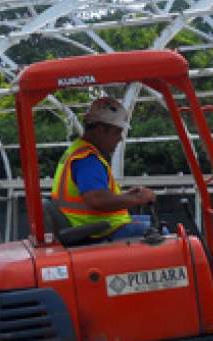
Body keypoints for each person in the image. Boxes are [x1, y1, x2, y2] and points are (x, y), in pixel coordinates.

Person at [51, 96, 157, 240]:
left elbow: (94, 195)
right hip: (99, 233)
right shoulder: (87, 159)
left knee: (150, 223)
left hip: (93, 227)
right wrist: (136, 199)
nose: (120, 139)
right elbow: (97, 200)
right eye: (117, 132)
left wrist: (125, 196)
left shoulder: (79, 152)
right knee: (162, 235)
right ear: (101, 130)